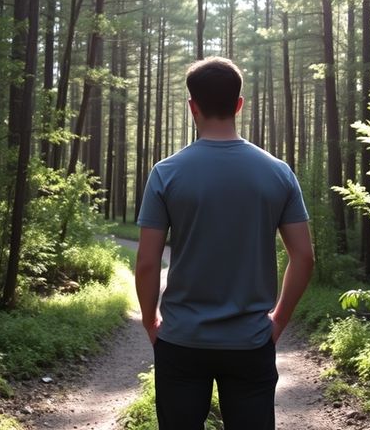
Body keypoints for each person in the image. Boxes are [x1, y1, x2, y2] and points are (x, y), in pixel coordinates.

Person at [135, 56, 315, 429]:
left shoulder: (166, 173)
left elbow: (148, 262)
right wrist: (277, 321)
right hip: (250, 342)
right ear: (238, 105)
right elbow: (303, 257)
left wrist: (151, 320)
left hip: (181, 341)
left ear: (192, 107)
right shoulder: (278, 173)